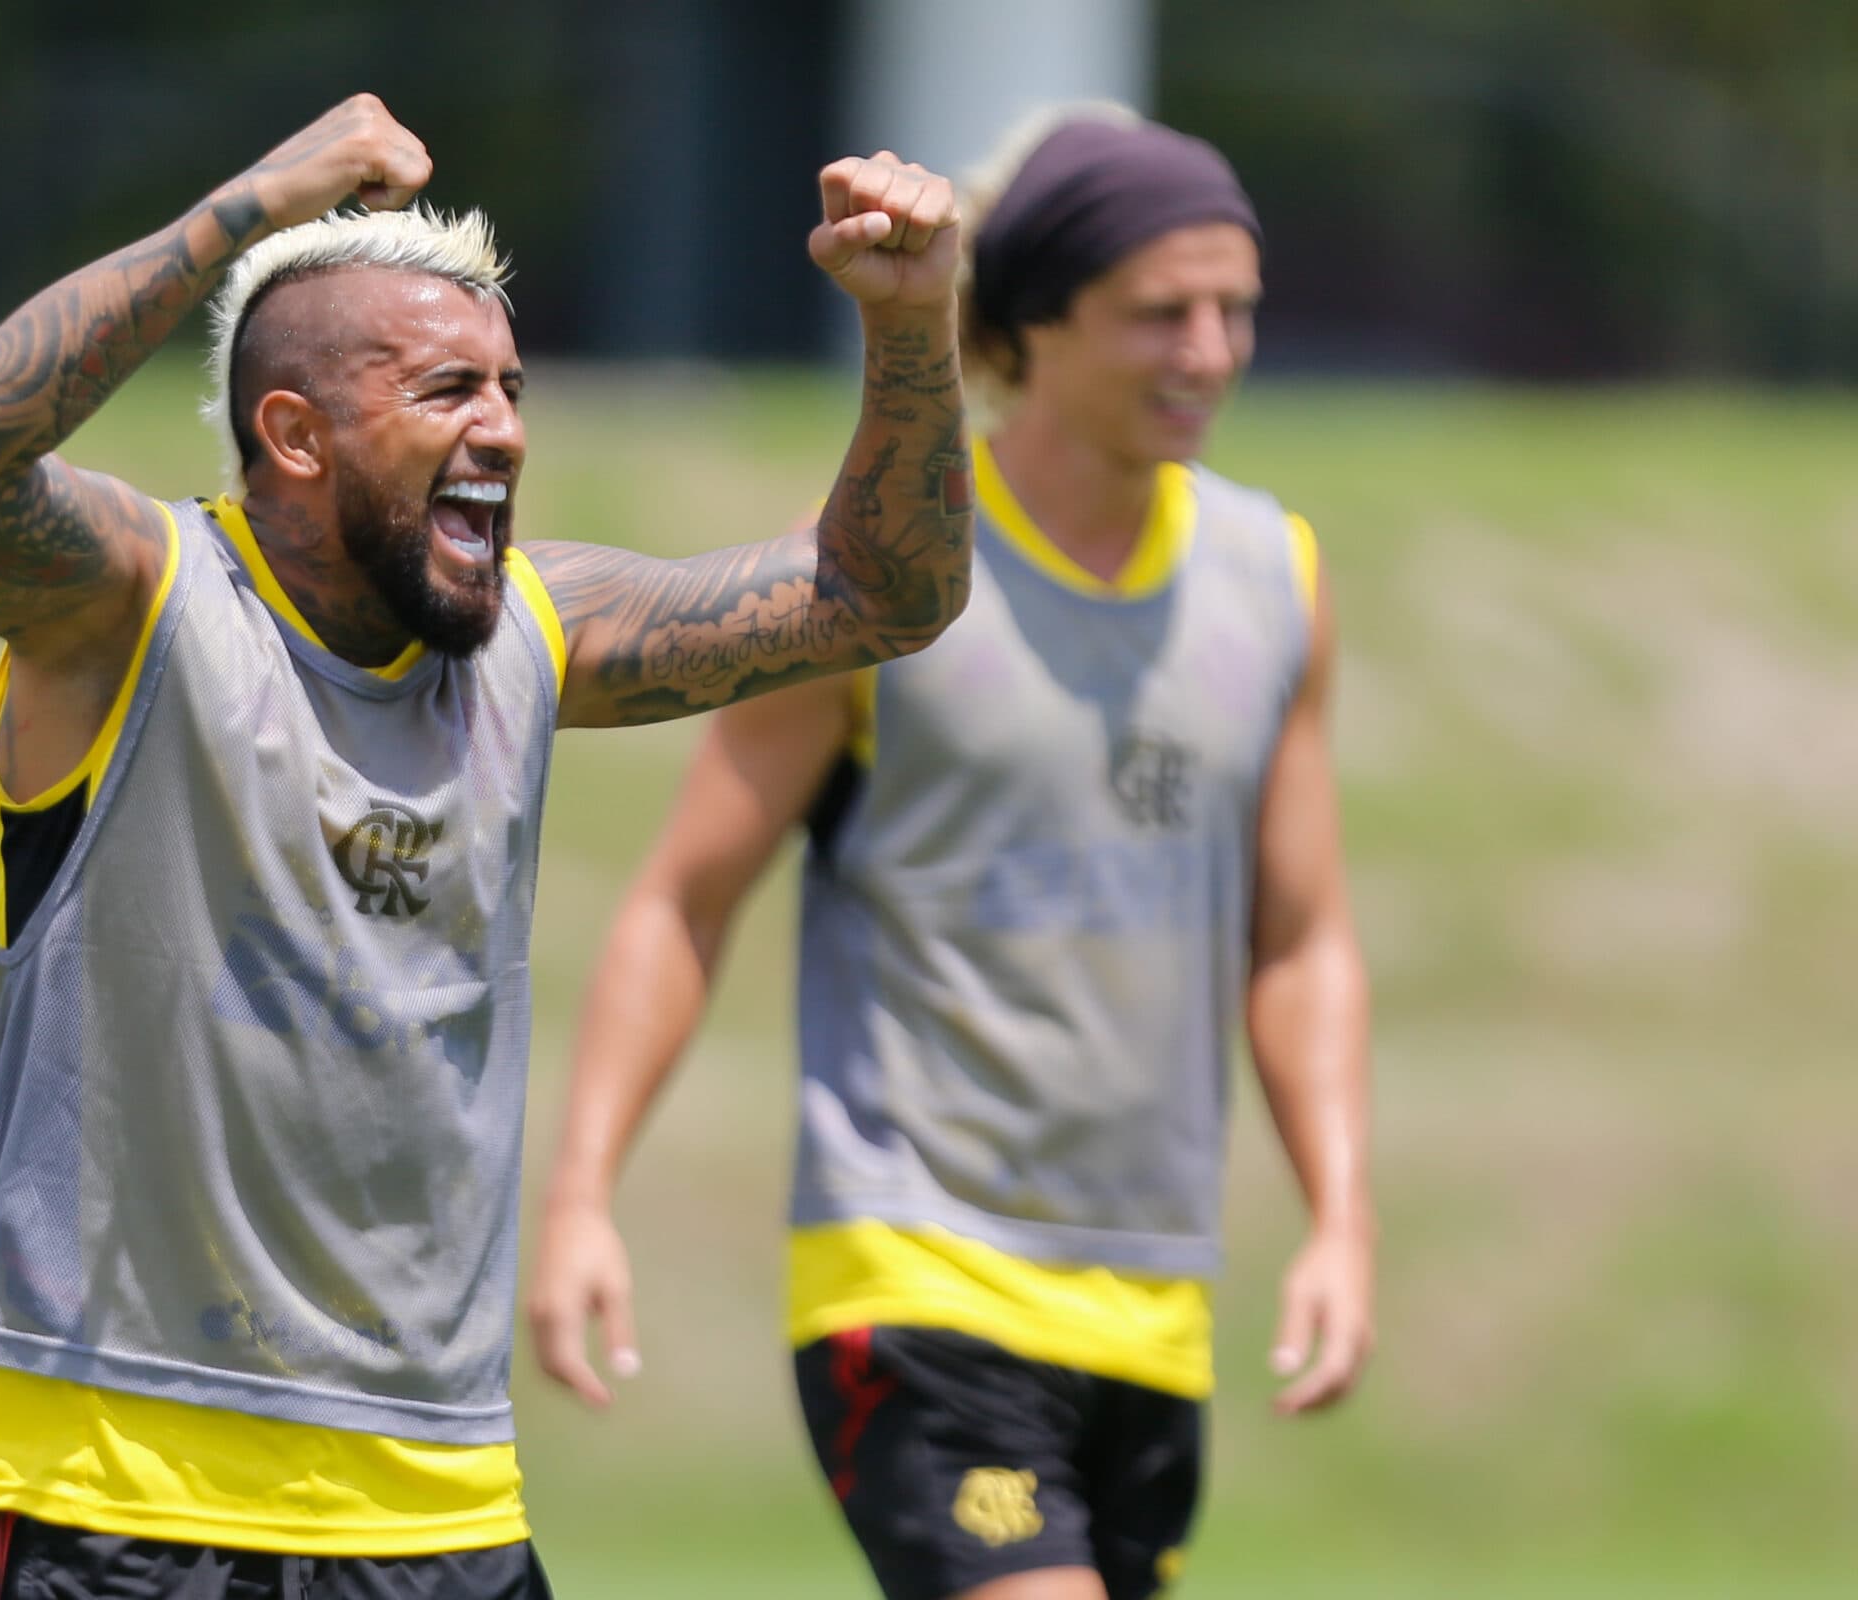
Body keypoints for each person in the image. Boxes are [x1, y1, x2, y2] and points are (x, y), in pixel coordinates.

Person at [0, 92, 971, 1600]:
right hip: (130, 1499)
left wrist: (911, 325)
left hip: (443, 1508)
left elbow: (884, 597)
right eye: (449, 389)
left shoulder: (534, 631)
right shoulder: (132, 611)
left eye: (512, 389)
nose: (506, 431)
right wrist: (260, 202)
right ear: (294, 433)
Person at [529, 105, 1373, 1600]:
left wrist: (1339, 1217)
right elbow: (685, 898)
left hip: (1153, 1307)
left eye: (1235, 309)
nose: (1212, 351)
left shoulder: (1276, 578)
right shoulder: (875, 579)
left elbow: (1300, 940)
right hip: (915, 1274)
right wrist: (584, 1189)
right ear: (1029, 326)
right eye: (1161, 314)